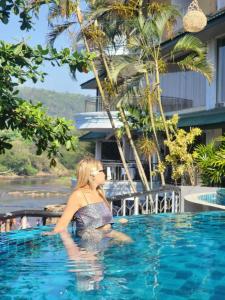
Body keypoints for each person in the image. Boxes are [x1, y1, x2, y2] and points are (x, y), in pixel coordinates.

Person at [44, 157, 132, 244]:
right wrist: (51, 234)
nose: (105, 174)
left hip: (105, 243)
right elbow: (62, 225)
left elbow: (99, 221)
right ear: (92, 175)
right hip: (91, 247)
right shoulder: (78, 195)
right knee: (130, 243)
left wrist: (116, 221)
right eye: (102, 171)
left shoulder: (99, 193)